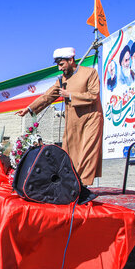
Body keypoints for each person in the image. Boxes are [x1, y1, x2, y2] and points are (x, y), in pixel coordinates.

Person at [15, 47, 103, 186]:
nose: (59, 68)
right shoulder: (62, 80)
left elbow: (94, 95)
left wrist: (70, 95)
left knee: (87, 152)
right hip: (72, 121)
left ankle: (83, 184)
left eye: (61, 64)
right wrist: (29, 108)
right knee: (71, 152)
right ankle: (73, 183)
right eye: (58, 64)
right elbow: (48, 96)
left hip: (91, 118)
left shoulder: (89, 73)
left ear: (71, 60)